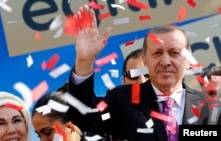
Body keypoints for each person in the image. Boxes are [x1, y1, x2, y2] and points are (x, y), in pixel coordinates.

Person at [67, 5, 221, 141]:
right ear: (146, 61)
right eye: (157, 53)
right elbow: (83, 116)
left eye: (174, 53)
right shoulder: (121, 100)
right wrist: (84, 61)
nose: (165, 61)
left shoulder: (211, 108)